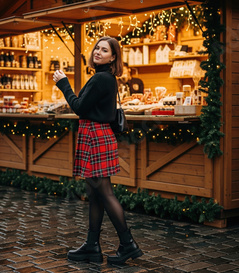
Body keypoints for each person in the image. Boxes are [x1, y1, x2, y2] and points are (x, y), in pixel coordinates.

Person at [53, 36, 143, 265]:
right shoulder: (104, 78)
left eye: (104, 50)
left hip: (95, 136)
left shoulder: (102, 78)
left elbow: (80, 108)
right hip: (96, 135)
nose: (98, 52)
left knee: (104, 192)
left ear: (113, 57)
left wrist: (64, 84)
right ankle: (92, 246)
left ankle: (127, 244)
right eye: (97, 48)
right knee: (94, 193)